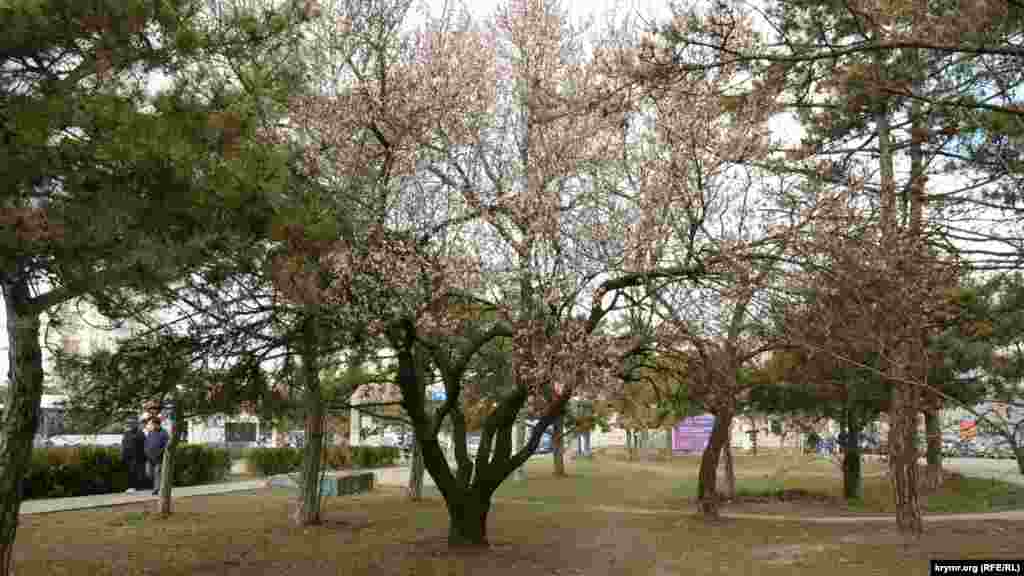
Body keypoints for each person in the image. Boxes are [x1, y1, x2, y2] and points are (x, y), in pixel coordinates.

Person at [144, 417, 170, 496]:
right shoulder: (151, 432)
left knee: (157, 473)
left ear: (156, 424)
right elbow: (146, 443)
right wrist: (146, 451)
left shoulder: (164, 433)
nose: (151, 425)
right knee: (149, 473)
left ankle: (156, 489)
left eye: (152, 424)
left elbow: (167, 445)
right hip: (149, 458)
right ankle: (157, 486)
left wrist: (160, 453)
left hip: (159, 458)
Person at [121, 420, 146, 493]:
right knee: (130, 473)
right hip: (128, 457)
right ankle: (131, 487)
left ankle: (135, 487)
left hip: (137, 457)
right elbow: (124, 444)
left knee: (136, 472)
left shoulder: (140, 434)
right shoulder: (127, 433)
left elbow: (143, 445)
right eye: (130, 425)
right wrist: (123, 455)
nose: (130, 426)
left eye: (132, 425)